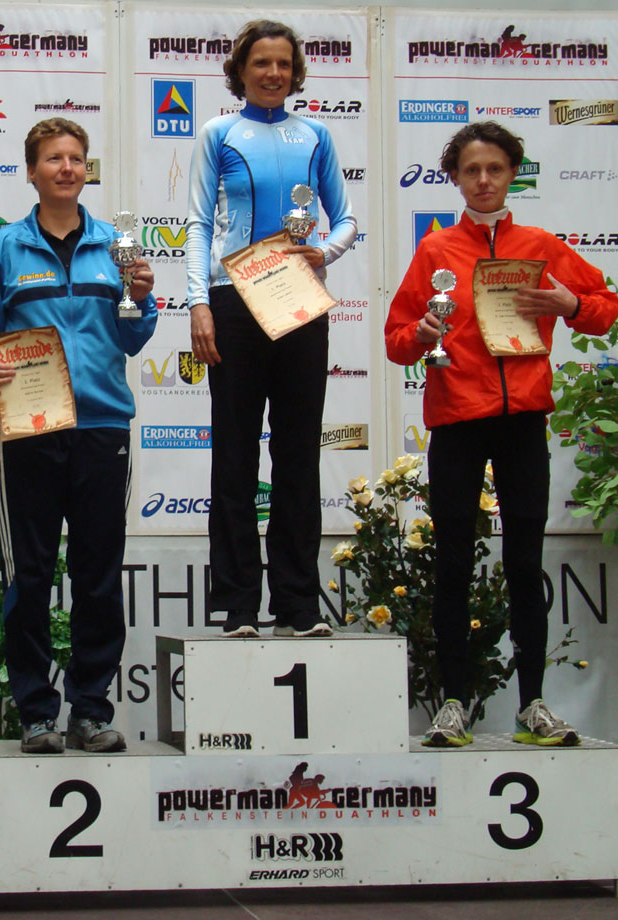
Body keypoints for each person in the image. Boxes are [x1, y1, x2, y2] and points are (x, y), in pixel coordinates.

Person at [385, 121, 618, 747]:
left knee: (523, 560)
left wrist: (570, 306)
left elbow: (606, 307)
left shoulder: (541, 245)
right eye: (471, 171)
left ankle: (533, 704)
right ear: (456, 179)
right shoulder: (436, 252)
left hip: (522, 422)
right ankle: (454, 702)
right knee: (455, 562)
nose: (483, 180)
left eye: (494, 169)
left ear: (513, 173)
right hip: (458, 420)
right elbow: (396, 339)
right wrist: (424, 337)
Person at [0, 117, 157, 753]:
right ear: (32, 171)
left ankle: (91, 710)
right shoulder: (5, 249)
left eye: (76, 158)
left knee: (98, 573)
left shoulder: (115, 245)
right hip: (29, 430)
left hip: (102, 427)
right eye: (53, 159)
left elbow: (131, 336)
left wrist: (143, 300)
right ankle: (37, 712)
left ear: (85, 169)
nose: (66, 168)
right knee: (30, 574)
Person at [186, 20, 357, 638]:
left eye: (283, 63)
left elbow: (346, 219)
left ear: (295, 72)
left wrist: (325, 254)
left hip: (297, 303)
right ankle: (236, 606)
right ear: (241, 70)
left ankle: (298, 603)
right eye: (261, 62)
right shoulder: (218, 133)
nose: (273, 73)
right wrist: (198, 303)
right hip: (233, 300)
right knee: (233, 455)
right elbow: (199, 224)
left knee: (297, 455)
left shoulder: (316, 135)